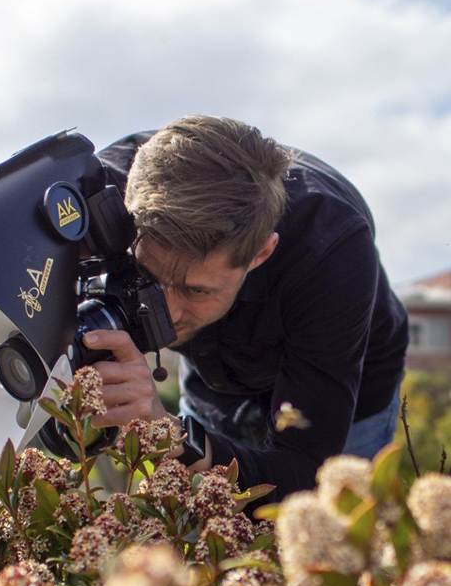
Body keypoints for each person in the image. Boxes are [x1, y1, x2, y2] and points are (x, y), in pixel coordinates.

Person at [85, 114, 408, 501]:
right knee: (197, 543)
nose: (167, 316)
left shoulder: (331, 251)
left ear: (260, 254)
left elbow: (302, 474)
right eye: (148, 277)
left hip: (343, 401)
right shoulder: (104, 191)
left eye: (196, 291)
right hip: (214, 384)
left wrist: (171, 434)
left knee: (322, 544)